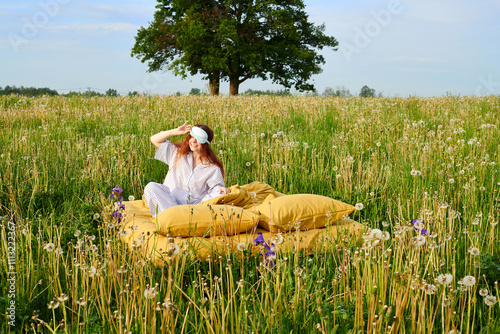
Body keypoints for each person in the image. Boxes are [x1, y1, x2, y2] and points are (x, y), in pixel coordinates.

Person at [143, 121, 230, 217]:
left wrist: (220, 189)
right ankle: (174, 217)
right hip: (169, 201)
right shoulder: (177, 153)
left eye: (198, 139)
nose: (193, 141)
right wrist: (175, 131)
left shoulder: (212, 168)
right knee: (151, 187)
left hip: (193, 207)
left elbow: (216, 188)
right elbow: (154, 139)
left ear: (206, 143)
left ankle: (175, 217)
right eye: (192, 137)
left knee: (220, 194)